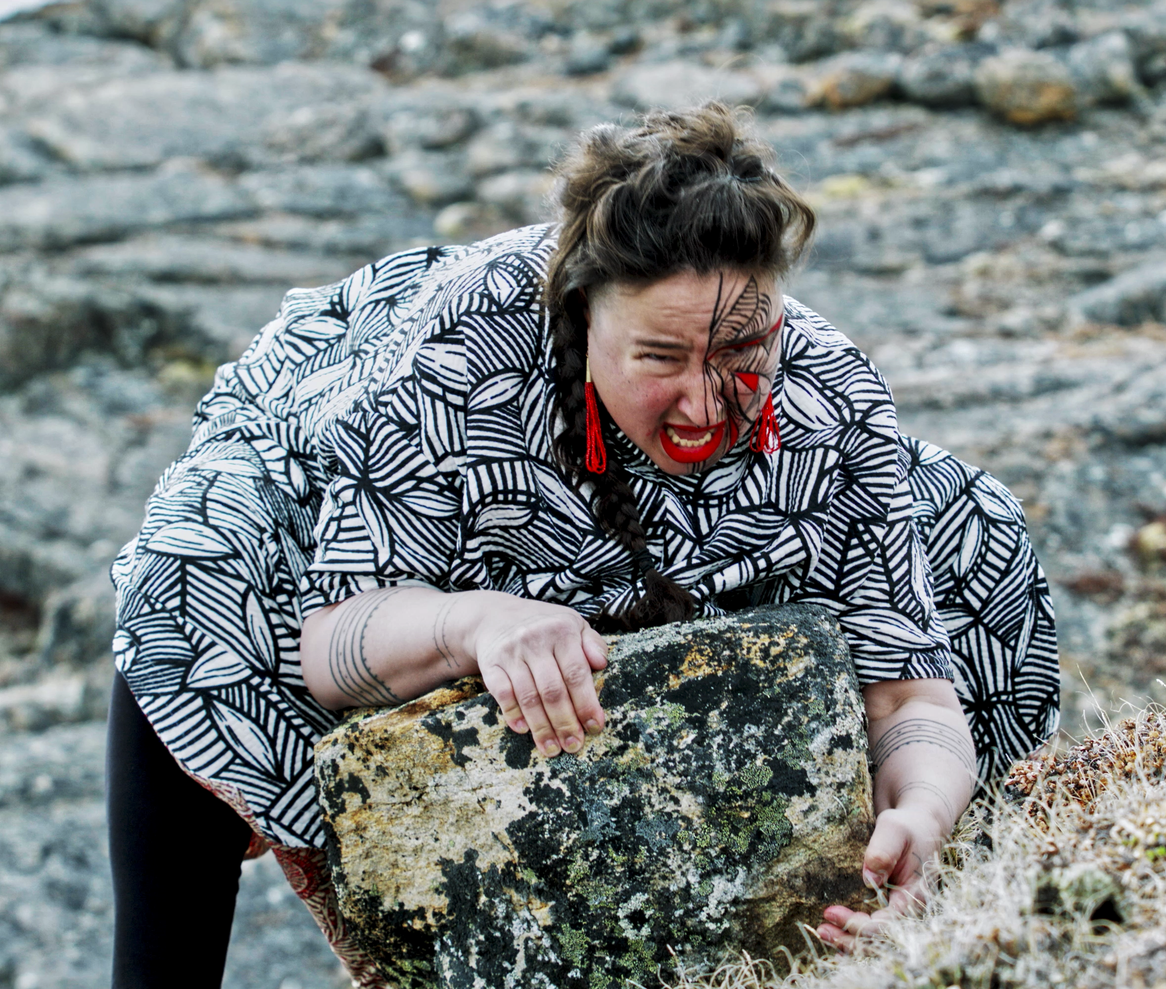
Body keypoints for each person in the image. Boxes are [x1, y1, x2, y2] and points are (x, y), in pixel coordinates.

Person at [104, 102, 1060, 989]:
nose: (703, 403)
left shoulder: (830, 398)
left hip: (681, 571)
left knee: (967, 523)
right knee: (201, 583)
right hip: (358, 562)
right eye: (660, 358)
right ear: (582, 308)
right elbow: (331, 648)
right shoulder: (458, 358)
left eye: (742, 354)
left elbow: (909, 689)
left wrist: (925, 808)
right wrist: (475, 623)